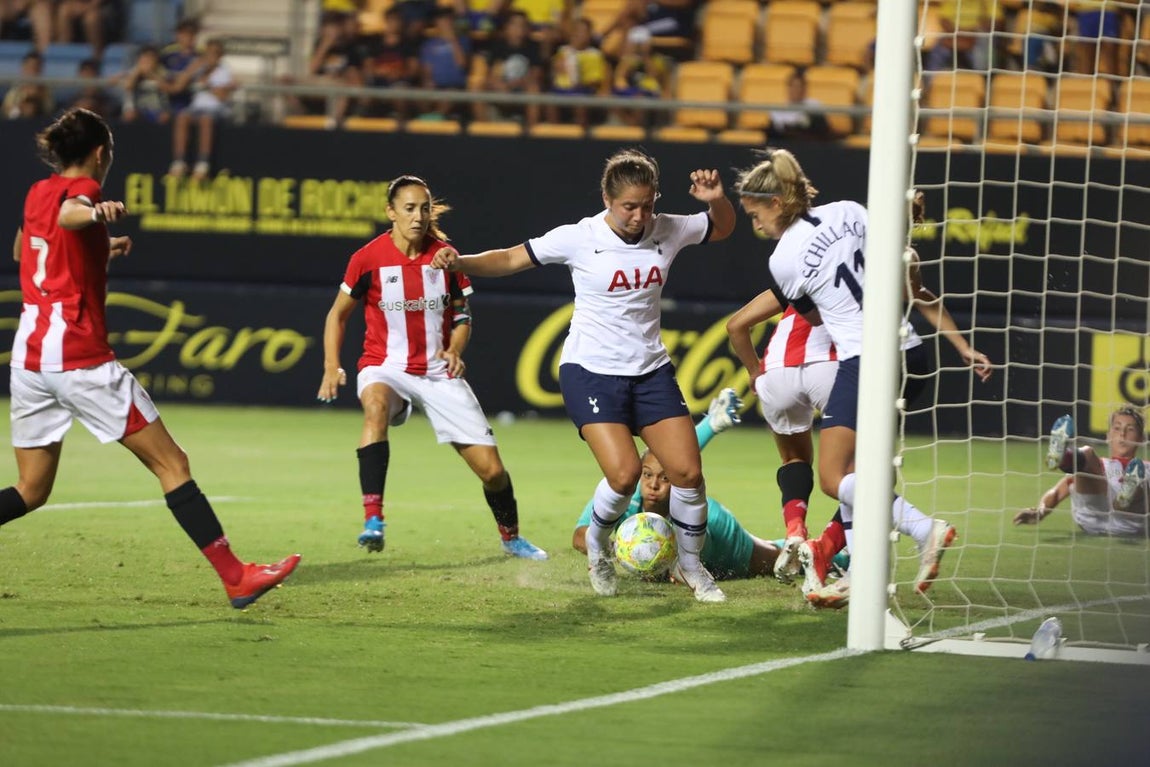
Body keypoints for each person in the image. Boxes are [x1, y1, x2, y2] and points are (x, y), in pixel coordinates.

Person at [1, 108, 300, 608]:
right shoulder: (85, 192)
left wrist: (98, 249)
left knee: (31, 491)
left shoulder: (36, 192)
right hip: (79, 358)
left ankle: (236, 576)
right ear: (100, 154)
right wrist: (93, 215)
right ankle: (235, 577)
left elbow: (24, 250)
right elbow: (70, 215)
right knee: (172, 464)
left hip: (29, 361)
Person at [430, 149, 737, 602]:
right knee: (625, 474)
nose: (639, 215)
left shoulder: (667, 228)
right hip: (590, 373)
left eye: (647, 204)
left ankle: (692, 566)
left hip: (650, 371)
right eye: (629, 206)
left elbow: (723, 226)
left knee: (688, 472)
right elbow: (512, 258)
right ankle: (597, 544)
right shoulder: (579, 237)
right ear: (607, 199)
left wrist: (716, 201)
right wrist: (461, 262)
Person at [733, 148, 971, 609]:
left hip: (868, 361)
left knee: (831, 476)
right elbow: (893, 255)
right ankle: (858, 576)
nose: (755, 224)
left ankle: (926, 528)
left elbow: (815, 317)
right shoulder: (849, 210)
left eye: (755, 213)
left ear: (777, 204)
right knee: (856, 472)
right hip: (910, 352)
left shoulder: (784, 258)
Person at [316, 174, 548, 562]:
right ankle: (374, 519)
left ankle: (511, 537)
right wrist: (330, 366)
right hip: (385, 366)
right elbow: (337, 315)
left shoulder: (446, 258)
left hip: (438, 373)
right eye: (409, 208)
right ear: (390, 212)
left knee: (491, 472)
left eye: (424, 208)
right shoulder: (367, 259)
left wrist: (456, 350)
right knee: (374, 407)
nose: (418, 216)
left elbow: (462, 317)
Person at [571, 389, 853, 584]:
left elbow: (680, 467)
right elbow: (580, 535)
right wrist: (616, 548)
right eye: (647, 476)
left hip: (717, 538)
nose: (654, 484)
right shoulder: (623, 488)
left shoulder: (702, 521)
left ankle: (841, 556)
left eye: (665, 479)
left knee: (772, 561)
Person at [1014, 408, 1148, 536]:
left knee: (1142, 480)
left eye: (1130, 429)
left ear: (1141, 438)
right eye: (1117, 428)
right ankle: (1062, 457)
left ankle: (1125, 497)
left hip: (1131, 521)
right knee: (1087, 453)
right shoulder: (1096, 465)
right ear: (1108, 436)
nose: (1122, 434)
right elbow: (1057, 492)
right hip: (1094, 515)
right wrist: (1040, 512)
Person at [170, 38, 236, 181]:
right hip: (196, 108)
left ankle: (203, 163)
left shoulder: (224, 71)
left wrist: (208, 85)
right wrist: (191, 69)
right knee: (182, 117)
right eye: (208, 54)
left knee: (205, 120)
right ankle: (179, 162)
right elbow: (178, 86)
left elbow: (223, 96)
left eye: (214, 54)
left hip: (215, 110)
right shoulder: (198, 68)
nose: (210, 57)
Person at [767, 69, 828, 140]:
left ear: (805, 89)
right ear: (788, 88)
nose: (797, 90)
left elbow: (822, 131)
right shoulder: (777, 110)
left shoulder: (814, 105)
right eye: (793, 86)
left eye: (800, 86)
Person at [2, 49, 52, 119]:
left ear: (41, 69)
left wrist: (37, 101)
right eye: (30, 67)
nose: (33, 71)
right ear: (23, 68)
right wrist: (19, 109)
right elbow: (6, 113)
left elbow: (50, 112)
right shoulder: (14, 92)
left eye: (36, 68)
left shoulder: (46, 92)